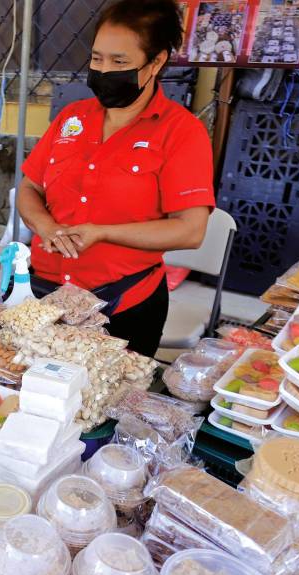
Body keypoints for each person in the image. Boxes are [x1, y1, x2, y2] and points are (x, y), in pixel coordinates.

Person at [18, 0, 215, 357]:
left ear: (156, 62)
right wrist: (45, 226)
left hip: (122, 305)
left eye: (120, 62)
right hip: (44, 299)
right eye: (97, 58)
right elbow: (30, 187)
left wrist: (104, 233)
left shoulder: (181, 132)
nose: (104, 70)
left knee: (108, 407)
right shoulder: (71, 119)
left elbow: (190, 230)